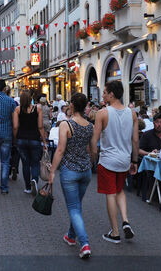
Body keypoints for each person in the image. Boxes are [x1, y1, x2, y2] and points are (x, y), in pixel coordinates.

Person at [49, 93, 94, 259]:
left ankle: (84, 243)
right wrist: (90, 163)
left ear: (72, 105)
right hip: (85, 171)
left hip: (69, 171)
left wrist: (52, 171)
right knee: (77, 205)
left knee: (74, 208)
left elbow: (60, 150)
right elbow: (93, 150)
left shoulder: (66, 125)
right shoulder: (90, 126)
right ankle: (70, 235)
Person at [92, 81, 138, 244]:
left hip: (108, 160)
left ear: (111, 94)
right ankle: (125, 220)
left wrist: (93, 157)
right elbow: (135, 140)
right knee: (119, 190)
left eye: (105, 92)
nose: (103, 95)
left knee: (110, 193)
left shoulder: (102, 113)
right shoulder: (132, 113)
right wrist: (134, 160)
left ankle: (115, 232)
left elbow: (95, 139)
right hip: (124, 160)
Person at [13, 90, 45, 194]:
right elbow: (40, 127)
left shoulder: (17, 110)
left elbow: (15, 126)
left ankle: (27, 187)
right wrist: (44, 142)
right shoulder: (38, 109)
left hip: (21, 139)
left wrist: (15, 138)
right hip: (34, 139)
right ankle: (34, 180)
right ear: (31, 98)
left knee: (25, 164)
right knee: (35, 163)